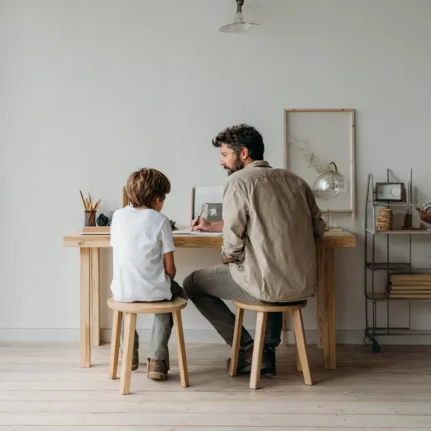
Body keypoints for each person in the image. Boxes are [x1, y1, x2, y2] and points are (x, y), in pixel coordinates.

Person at [183, 124, 326, 376]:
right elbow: (318, 230)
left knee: (193, 283)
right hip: (299, 283)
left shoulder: (238, 182)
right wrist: (213, 225)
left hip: (265, 283)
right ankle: (266, 353)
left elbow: (233, 243)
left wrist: (229, 257)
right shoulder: (296, 181)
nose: (221, 161)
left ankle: (247, 349)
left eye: (225, 154)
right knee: (268, 268)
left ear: (244, 153)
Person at [110, 168, 184, 381]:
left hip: (123, 291)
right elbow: (170, 269)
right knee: (173, 293)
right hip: (154, 292)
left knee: (125, 298)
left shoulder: (118, 216)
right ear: (157, 198)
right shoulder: (161, 220)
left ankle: (129, 354)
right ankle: (157, 360)